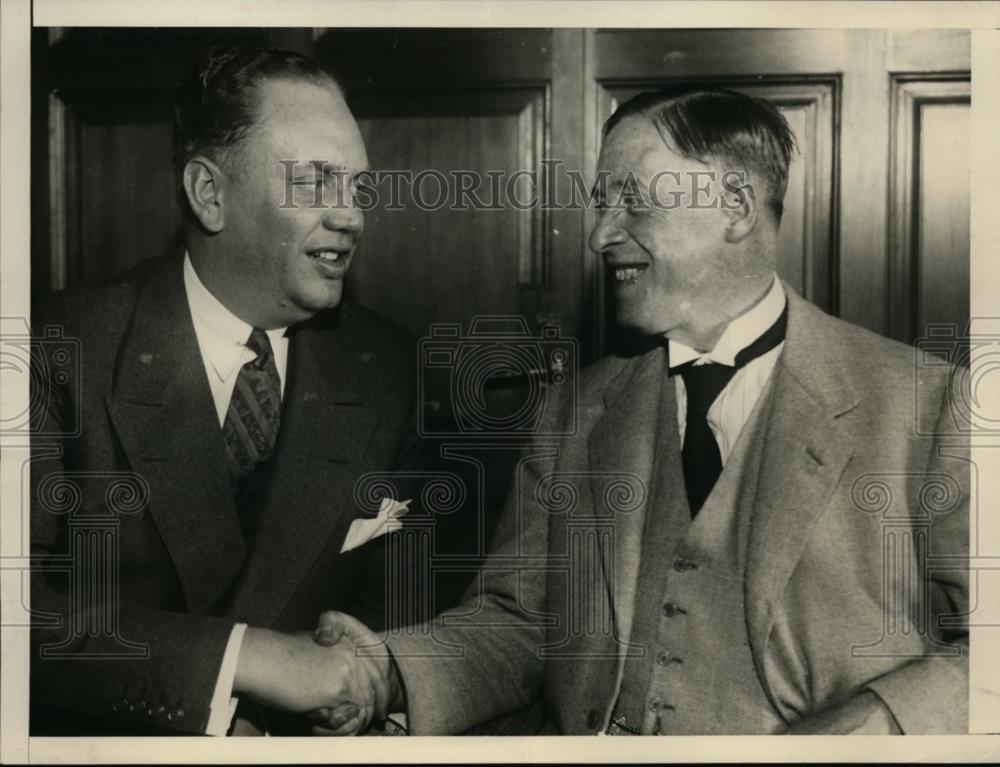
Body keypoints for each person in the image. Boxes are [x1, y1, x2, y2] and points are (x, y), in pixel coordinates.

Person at [312, 84, 969, 735]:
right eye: (602, 202)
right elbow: (520, 622)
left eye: (632, 199)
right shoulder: (576, 411)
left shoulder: (930, 409)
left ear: (735, 206)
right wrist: (390, 670)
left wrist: (874, 722)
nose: (600, 234)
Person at [30, 44, 419, 735]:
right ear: (209, 194)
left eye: (357, 187)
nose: (352, 217)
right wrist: (241, 662)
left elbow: (403, 608)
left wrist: (364, 689)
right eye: (315, 182)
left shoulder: (390, 368)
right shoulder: (56, 352)